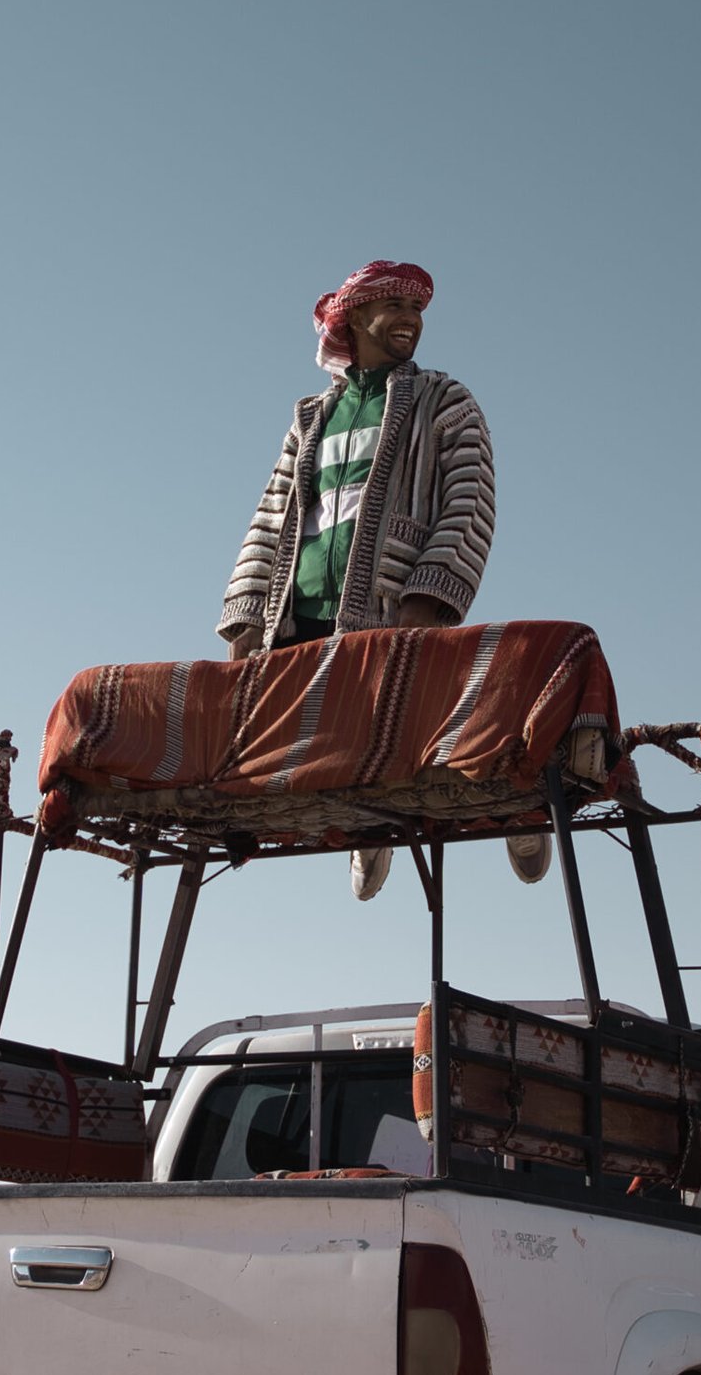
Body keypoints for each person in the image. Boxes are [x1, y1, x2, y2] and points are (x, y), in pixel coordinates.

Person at [218, 258, 549, 899]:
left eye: (418, 311)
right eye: (396, 308)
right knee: (321, 741)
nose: (411, 322)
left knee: (440, 722)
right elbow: (271, 513)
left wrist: (429, 593)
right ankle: (371, 834)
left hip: (393, 602)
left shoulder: (442, 399)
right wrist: (247, 613)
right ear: (355, 316)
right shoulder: (312, 417)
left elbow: (470, 499)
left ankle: (524, 805)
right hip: (300, 614)